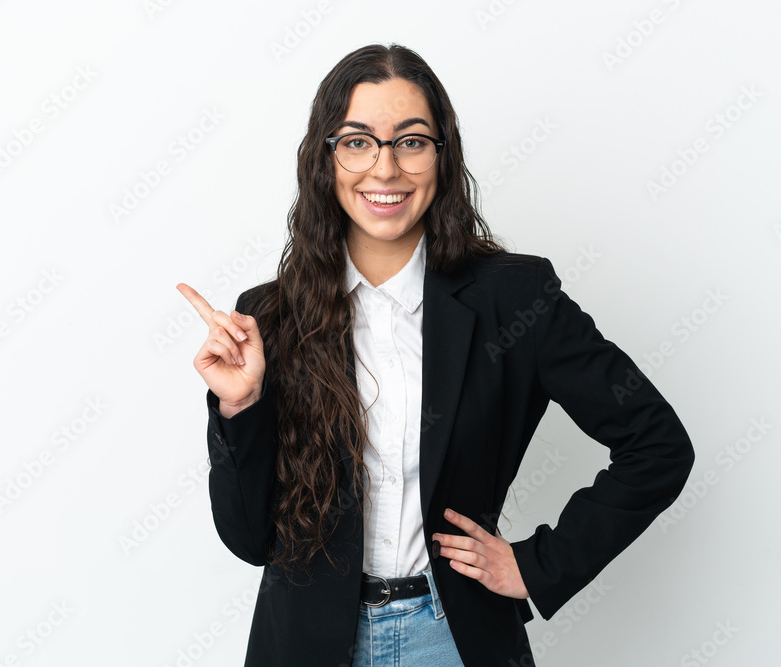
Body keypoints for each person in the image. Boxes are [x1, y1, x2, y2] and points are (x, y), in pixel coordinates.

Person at [178, 43, 694, 667]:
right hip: (308, 644)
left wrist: (539, 564)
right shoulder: (269, 316)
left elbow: (657, 443)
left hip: (454, 640)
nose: (385, 168)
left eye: (412, 141)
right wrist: (241, 407)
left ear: (442, 157)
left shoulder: (515, 297)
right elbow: (251, 539)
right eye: (358, 140)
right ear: (326, 158)